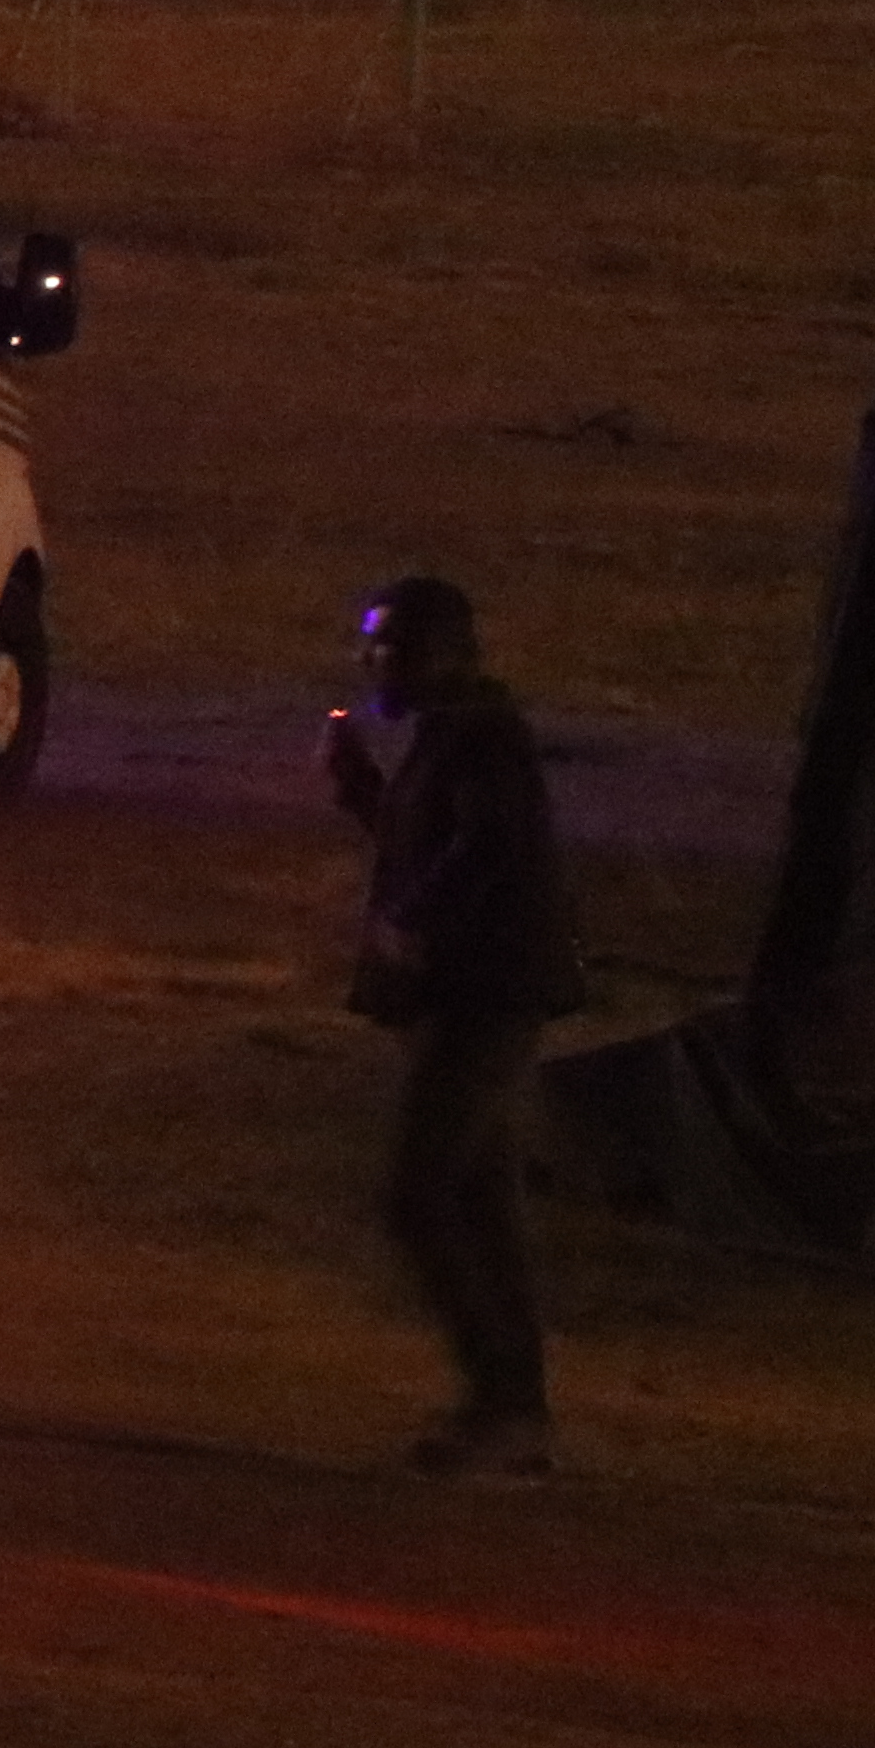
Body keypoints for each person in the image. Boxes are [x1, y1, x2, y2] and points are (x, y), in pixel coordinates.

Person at [326, 575, 588, 1477]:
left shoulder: (482, 736)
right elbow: (439, 841)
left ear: (443, 653)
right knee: (481, 1201)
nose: (374, 662)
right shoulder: (462, 733)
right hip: (484, 995)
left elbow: (483, 847)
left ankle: (502, 1401)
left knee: (420, 1192)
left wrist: (412, 921)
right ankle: (517, 1411)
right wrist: (364, 793)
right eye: (371, 644)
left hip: (484, 998)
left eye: (391, 646)